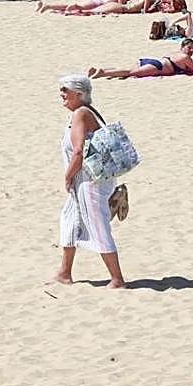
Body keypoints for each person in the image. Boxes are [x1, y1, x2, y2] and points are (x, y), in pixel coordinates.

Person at [54, 74, 125, 288]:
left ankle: (117, 279)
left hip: (89, 180)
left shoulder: (81, 114)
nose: (62, 94)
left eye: (65, 90)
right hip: (85, 180)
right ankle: (64, 273)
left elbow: (78, 152)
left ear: (79, 93)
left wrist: (67, 177)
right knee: (69, 220)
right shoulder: (81, 113)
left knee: (97, 224)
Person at [89, 38, 193, 79]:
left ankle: (102, 70)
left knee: (127, 70)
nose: (191, 51)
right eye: (190, 48)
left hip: (152, 61)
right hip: (157, 66)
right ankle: (102, 73)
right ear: (183, 47)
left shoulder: (176, 53)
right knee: (129, 72)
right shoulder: (185, 57)